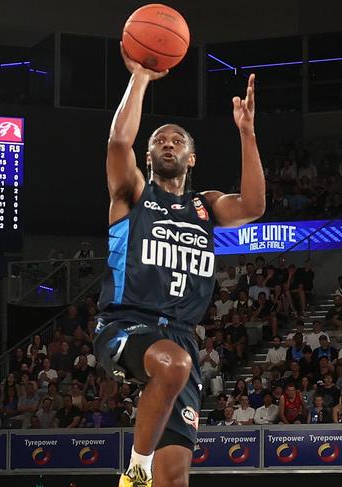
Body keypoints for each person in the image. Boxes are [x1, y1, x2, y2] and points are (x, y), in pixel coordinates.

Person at [93, 45, 264, 487]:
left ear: (191, 159)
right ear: (149, 158)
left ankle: (151, 472)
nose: (167, 143)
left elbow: (253, 206)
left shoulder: (204, 205)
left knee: (175, 479)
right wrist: (141, 79)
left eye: (177, 141)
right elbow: (117, 142)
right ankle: (135, 471)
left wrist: (246, 133)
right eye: (159, 141)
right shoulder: (132, 194)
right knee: (174, 365)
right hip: (125, 324)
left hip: (181, 335)